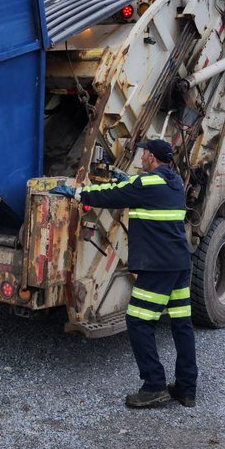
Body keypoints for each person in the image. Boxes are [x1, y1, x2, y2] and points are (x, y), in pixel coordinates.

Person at [56, 138, 198, 408]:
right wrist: (126, 180)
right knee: (182, 324)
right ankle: (186, 389)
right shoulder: (175, 182)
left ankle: (154, 385)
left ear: (152, 158)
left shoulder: (145, 184)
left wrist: (77, 194)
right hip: (179, 263)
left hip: (158, 266)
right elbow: (133, 187)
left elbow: (114, 194)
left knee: (137, 321)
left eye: (144, 153)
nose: (141, 156)